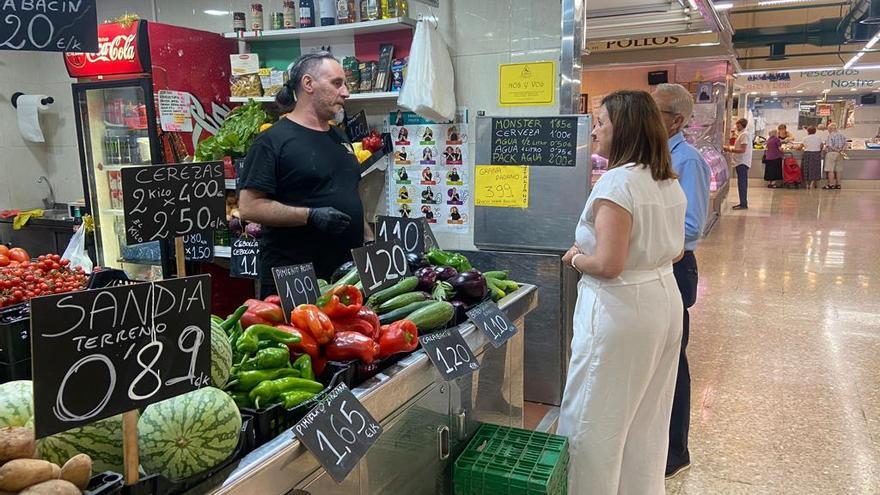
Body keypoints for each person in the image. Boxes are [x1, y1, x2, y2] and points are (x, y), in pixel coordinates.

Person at [558, 90, 686, 494]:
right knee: (647, 417)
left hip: (620, 311)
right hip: (663, 301)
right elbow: (679, 250)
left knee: (594, 419)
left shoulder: (618, 181)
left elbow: (608, 265)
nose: (594, 130)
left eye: (601, 122)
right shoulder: (664, 179)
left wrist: (575, 257)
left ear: (624, 128)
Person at [238, 52, 373, 295]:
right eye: (336, 83)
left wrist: (368, 239)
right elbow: (249, 207)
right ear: (308, 84)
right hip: (295, 278)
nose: (346, 92)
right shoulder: (272, 141)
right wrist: (310, 216)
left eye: (345, 84)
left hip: (344, 276)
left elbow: (348, 192)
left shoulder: (338, 136)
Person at [652, 83, 711, 480]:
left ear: (676, 120)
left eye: (653, 111)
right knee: (655, 361)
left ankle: (676, 451)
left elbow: (691, 226)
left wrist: (640, 230)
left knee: (673, 361)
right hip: (653, 267)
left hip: (675, 268)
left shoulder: (687, 160)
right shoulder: (654, 156)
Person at [724, 118, 752, 210]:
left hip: (742, 162)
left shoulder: (744, 135)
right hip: (740, 162)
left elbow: (742, 150)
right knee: (741, 183)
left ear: (741, 125)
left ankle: (743, 203)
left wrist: (729, 150)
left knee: (742, 183)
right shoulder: (742, 134)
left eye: (737, 125)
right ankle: (742, 202)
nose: (736, 127)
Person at [824, 122, 847, 190]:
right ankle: (838, 184)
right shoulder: (842, 135)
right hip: (840, 154)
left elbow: (830, 146)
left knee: (830, 170)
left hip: (831, 153)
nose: (828, 130)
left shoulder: (830, 135)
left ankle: (831, 185)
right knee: (838, 170)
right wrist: (841, 150)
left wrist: (836, 150)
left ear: (830, 129)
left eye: (828, 129)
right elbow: (846, 144)